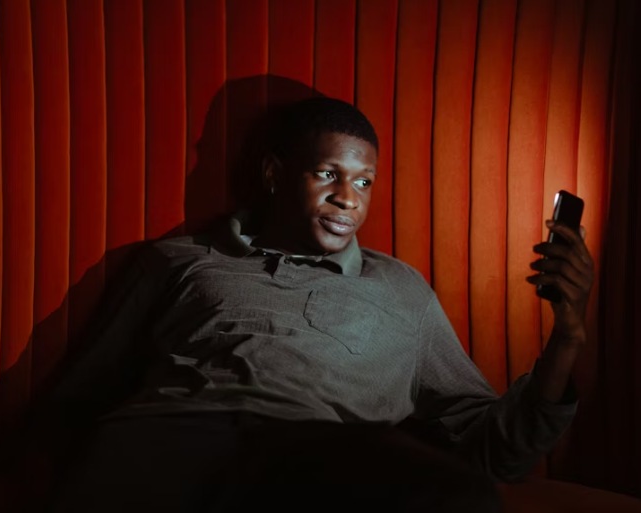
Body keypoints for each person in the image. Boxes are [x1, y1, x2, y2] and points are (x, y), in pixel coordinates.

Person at [46, 97, 594, 512]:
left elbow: (496, 449)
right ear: (274, 174)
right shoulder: (177, 260)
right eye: (328, 174)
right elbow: (75, 399)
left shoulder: (400, 289)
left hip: (322, 455)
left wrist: (567, 339)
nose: (347, 198)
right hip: (176, 435)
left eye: (364, 182)